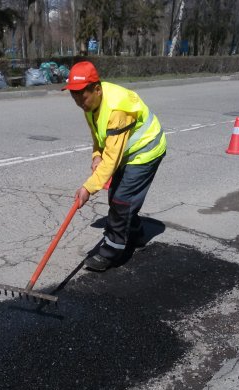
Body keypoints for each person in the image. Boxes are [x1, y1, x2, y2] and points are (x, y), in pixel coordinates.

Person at [63, 61, 166, 271]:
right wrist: (95, 155)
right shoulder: (91, 103)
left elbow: (112, 158)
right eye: (73, 94)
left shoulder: (117, 109)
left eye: (80, 94)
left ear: (97, 89)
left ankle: (111, 252)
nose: (77, 100)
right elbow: (99, 137)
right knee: (119, 199)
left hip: (145, 151)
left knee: (121, 201)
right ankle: (136, 235)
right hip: (126, 151)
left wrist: (88, 188)